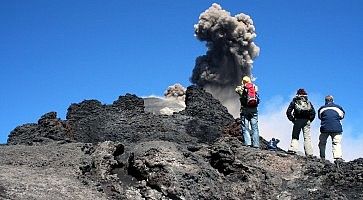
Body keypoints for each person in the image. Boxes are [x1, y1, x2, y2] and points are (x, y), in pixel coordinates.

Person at [286, 88, 315, 157]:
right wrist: (309, 120)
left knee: (295, 135)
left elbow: (288, 112)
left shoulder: (295, 101)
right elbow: (313, 113)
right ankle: (309, 153)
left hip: (298, 120)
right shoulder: (308, 102)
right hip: (306, 121)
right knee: (307, 137)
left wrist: (292, 119)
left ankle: (293, 149)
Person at [318, 95, 345, 163]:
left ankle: (322, 157)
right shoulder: (338, 108)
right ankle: (338, 158)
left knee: (322, 143)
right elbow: (342, 116)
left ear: (325, 101)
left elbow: (320, 117)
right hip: (336, 128)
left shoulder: (322, 108)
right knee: (336, 143)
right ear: (332, 100)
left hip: (325, 128)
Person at [235, 76, 260, 148]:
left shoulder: (241, 88)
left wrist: (243, 86)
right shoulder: (254, 87)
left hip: (245, 110)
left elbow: (236, 90)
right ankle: (256, 144)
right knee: (255, 128)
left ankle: (248, 143)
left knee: (245, 127)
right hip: (254, 110)